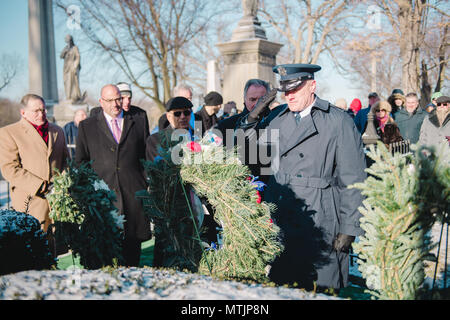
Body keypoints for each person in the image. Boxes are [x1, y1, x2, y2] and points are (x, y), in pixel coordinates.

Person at [237, 64, 366, 291]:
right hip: (282, 217)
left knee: (320, 289)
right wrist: (251, 119)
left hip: (321, 218)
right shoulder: (277, 117)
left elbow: (353, 179)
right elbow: (249, 151)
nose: (290, 95)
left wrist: (349, 227)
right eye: (286, 90)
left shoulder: (338, 121)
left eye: (295, 89)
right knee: (283, 289)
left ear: (312, 86)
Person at [75, 84, 150, 267]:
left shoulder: (138, 121)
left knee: (132, 257)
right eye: (110, 100)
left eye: (118, 99)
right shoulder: (87, 127)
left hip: (133, 198)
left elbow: (145, 156)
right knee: (103, 260)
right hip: (103, 201)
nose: (116, 104)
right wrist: (90, 192)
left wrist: (144, 184)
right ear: (101, 102)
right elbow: (81, 163)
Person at [0, 94, 69, 235]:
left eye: (43, 110)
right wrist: (40, 186)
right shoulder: (9, 133)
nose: (41, 114)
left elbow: (66, 162)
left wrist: (63, 184)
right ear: (23, 112)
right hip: (30, 201)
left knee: (57, 248)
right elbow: (9, 169)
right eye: (36, 111)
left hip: (58, 202)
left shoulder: (58, 131)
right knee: (34, 246)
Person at [60, 35, 82, 102]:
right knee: (67, 82)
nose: (67, 41)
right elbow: (61, 56)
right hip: (66, 68)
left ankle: (74, 97)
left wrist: (75, 65)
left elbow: (78, 56)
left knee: (73, 82)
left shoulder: (75, 48)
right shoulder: (65, 48)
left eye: (68, 39)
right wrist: (65, 51)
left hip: (72, 67)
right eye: (66, 39)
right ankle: (68, 97)